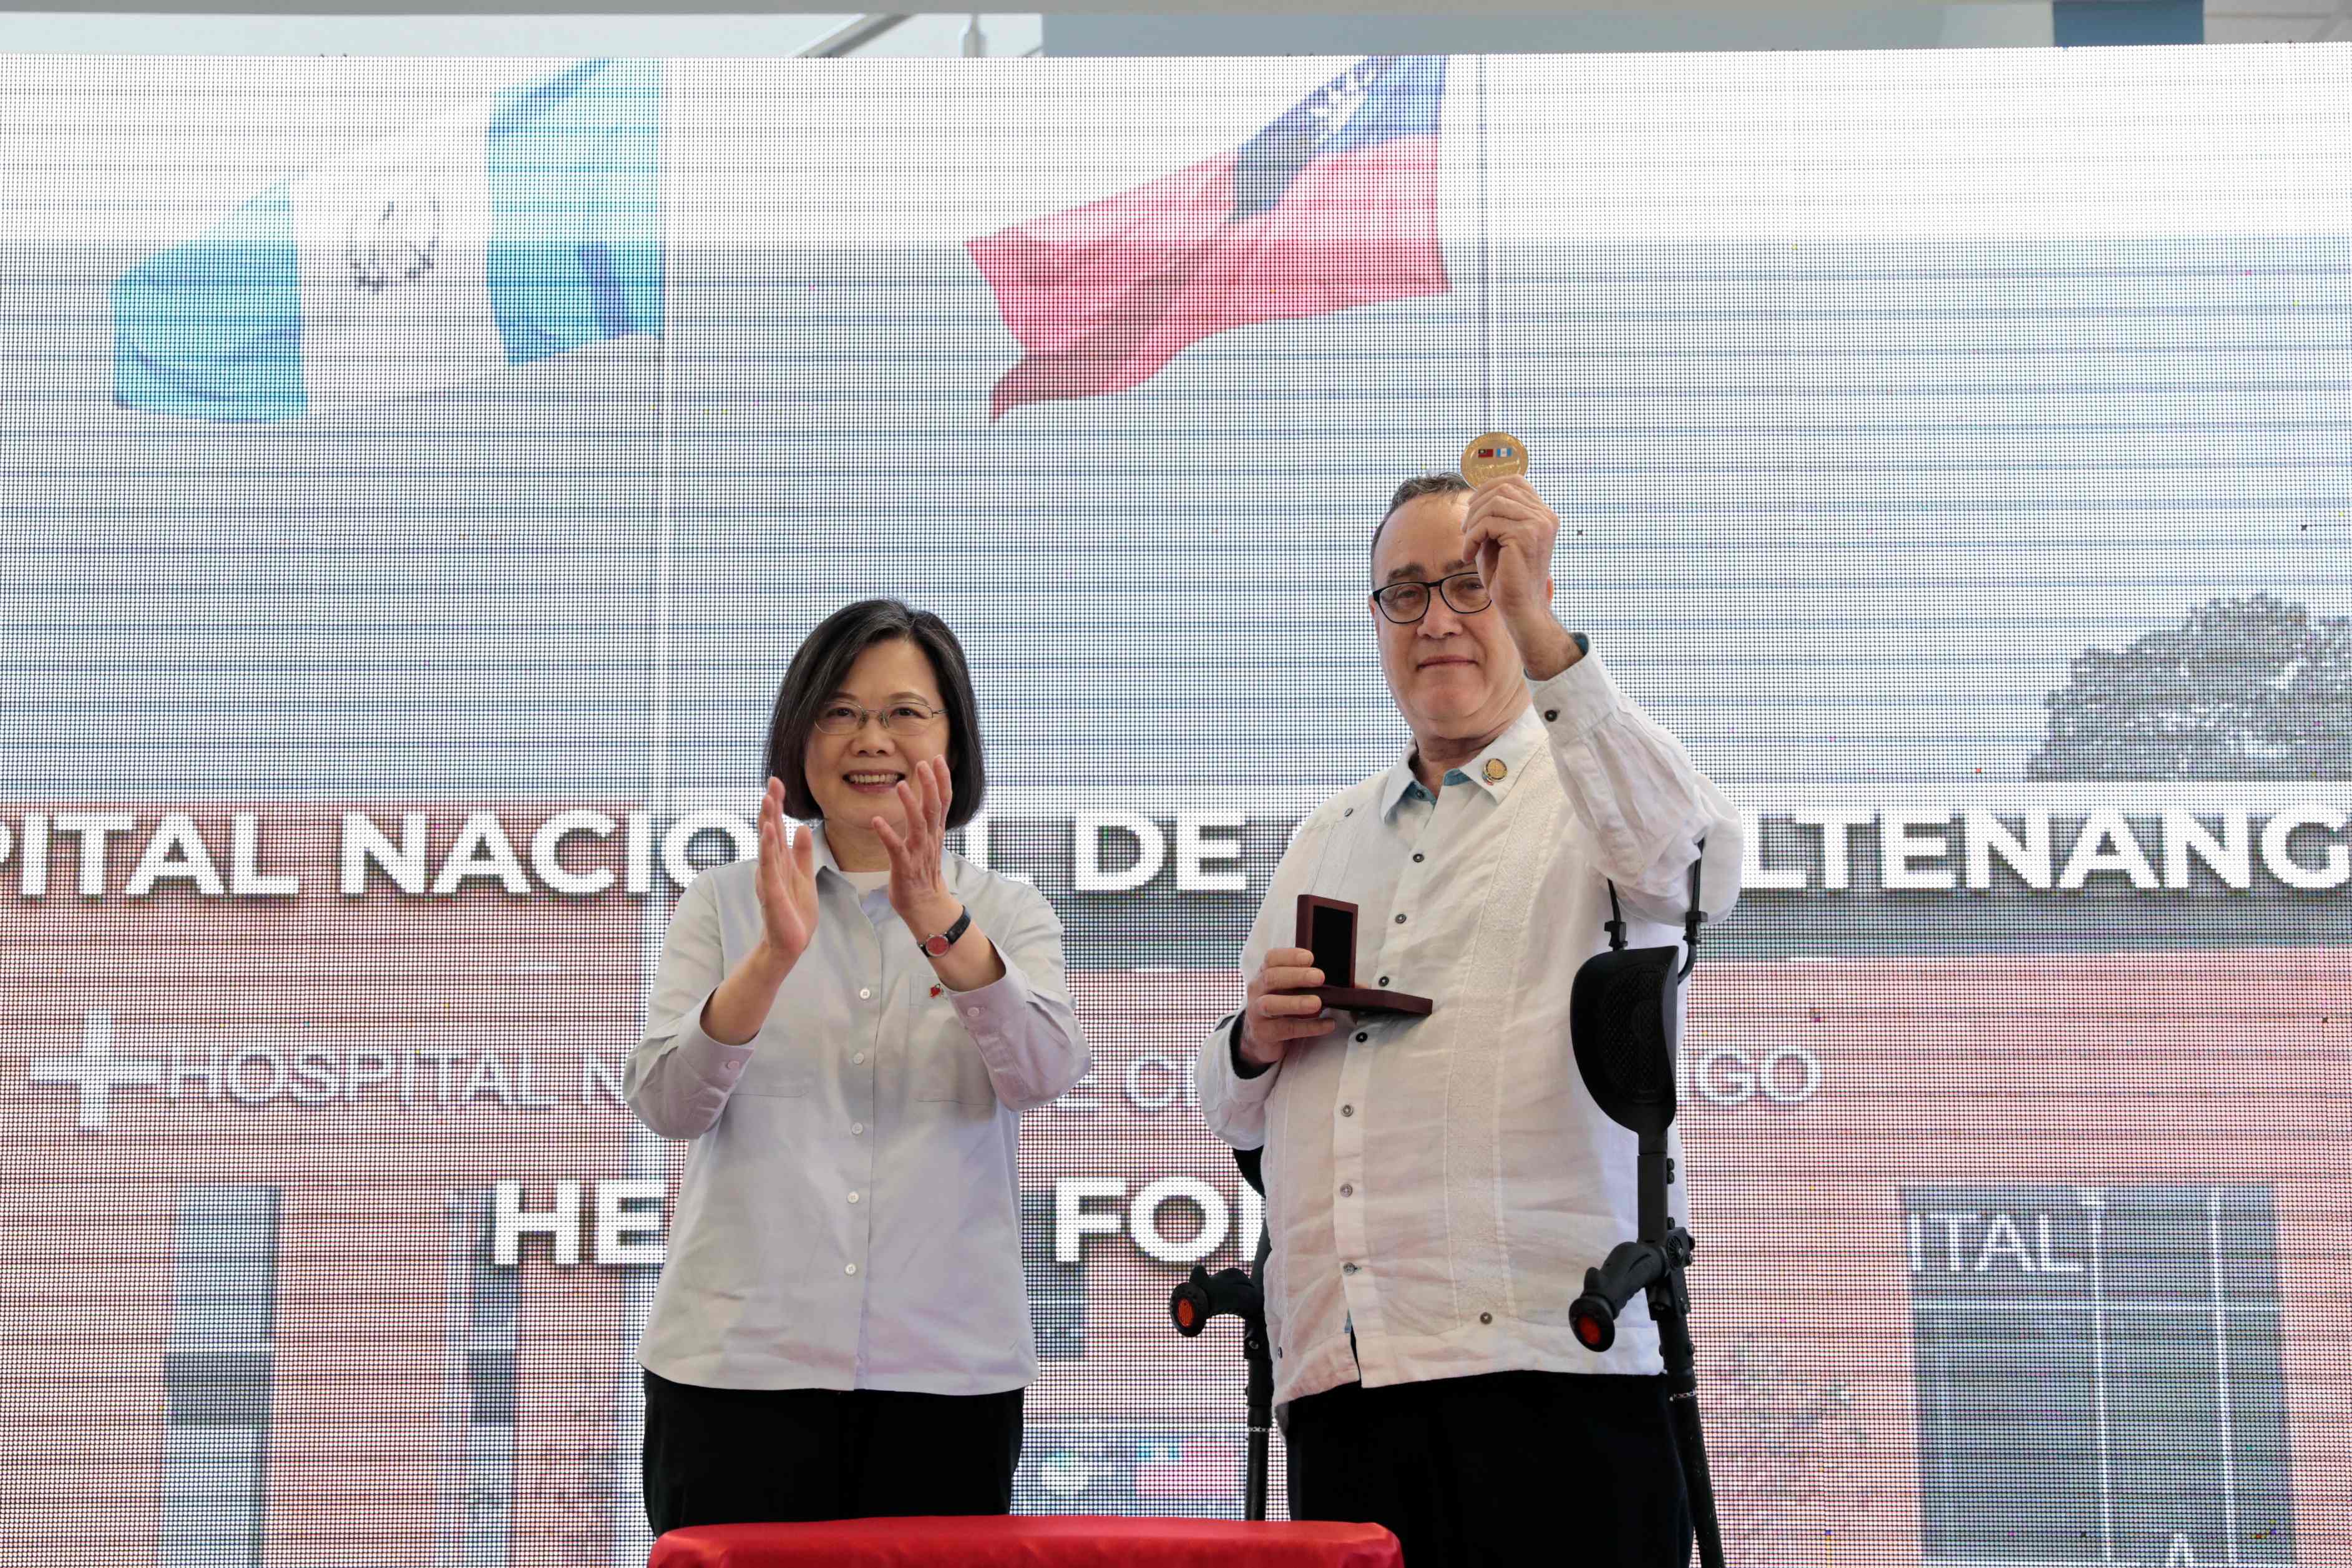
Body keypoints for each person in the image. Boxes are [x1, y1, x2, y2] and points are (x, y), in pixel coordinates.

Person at [1196, 472, 1743, 1567]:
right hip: (1347, 1376)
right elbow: (1232, 1108)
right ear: (1375, 621)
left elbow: (1698, 866)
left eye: (1472, 583)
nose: (1439, 616)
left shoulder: (1592, 796)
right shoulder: (1323, 835)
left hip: (1553, 1364)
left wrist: (1545, 634)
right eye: (1407, 592)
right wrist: (1253, 1036)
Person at [627, 598, 1089, 1532]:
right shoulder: (724, 902)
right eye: (839, 711)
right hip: (736, 1371)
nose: (869, 739)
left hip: (946, 1374)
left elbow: (1042, 1072)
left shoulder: (1007, 908)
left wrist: (940, 925)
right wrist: (769, 959)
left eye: (903, 712)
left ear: (952, 741)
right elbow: (667, 1102)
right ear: (799, 735)